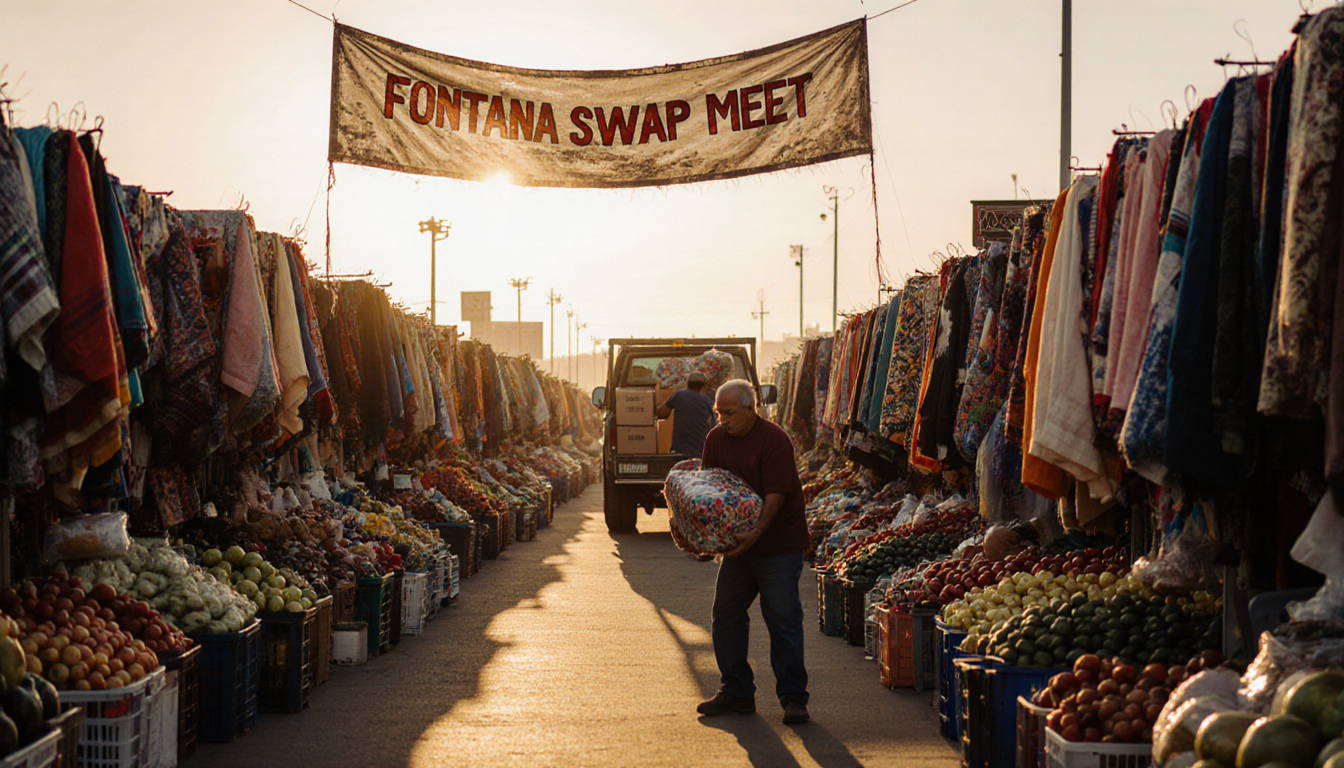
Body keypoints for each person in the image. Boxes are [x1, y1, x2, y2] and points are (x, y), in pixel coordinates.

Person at [694, 379, 811, 725]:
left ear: (750, 408)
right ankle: (737, 691)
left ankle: (793, 697)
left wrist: (757, 530)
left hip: (778, 545)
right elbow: (709, 491)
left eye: (730, 413)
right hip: (738, 546)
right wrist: (705, 537)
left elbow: (776, 494)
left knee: (782, 618)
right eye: (719, 413)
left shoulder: (774, 439)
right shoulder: (715, 439)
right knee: (726, 614)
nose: (723, 420)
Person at [656, 372, 715, 458]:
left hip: (680, 451)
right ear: (702, 386)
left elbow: (662, 414)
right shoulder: (708, 402)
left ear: (687, 383)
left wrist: (653, 402)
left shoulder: (680, 395)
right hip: (701, 451)